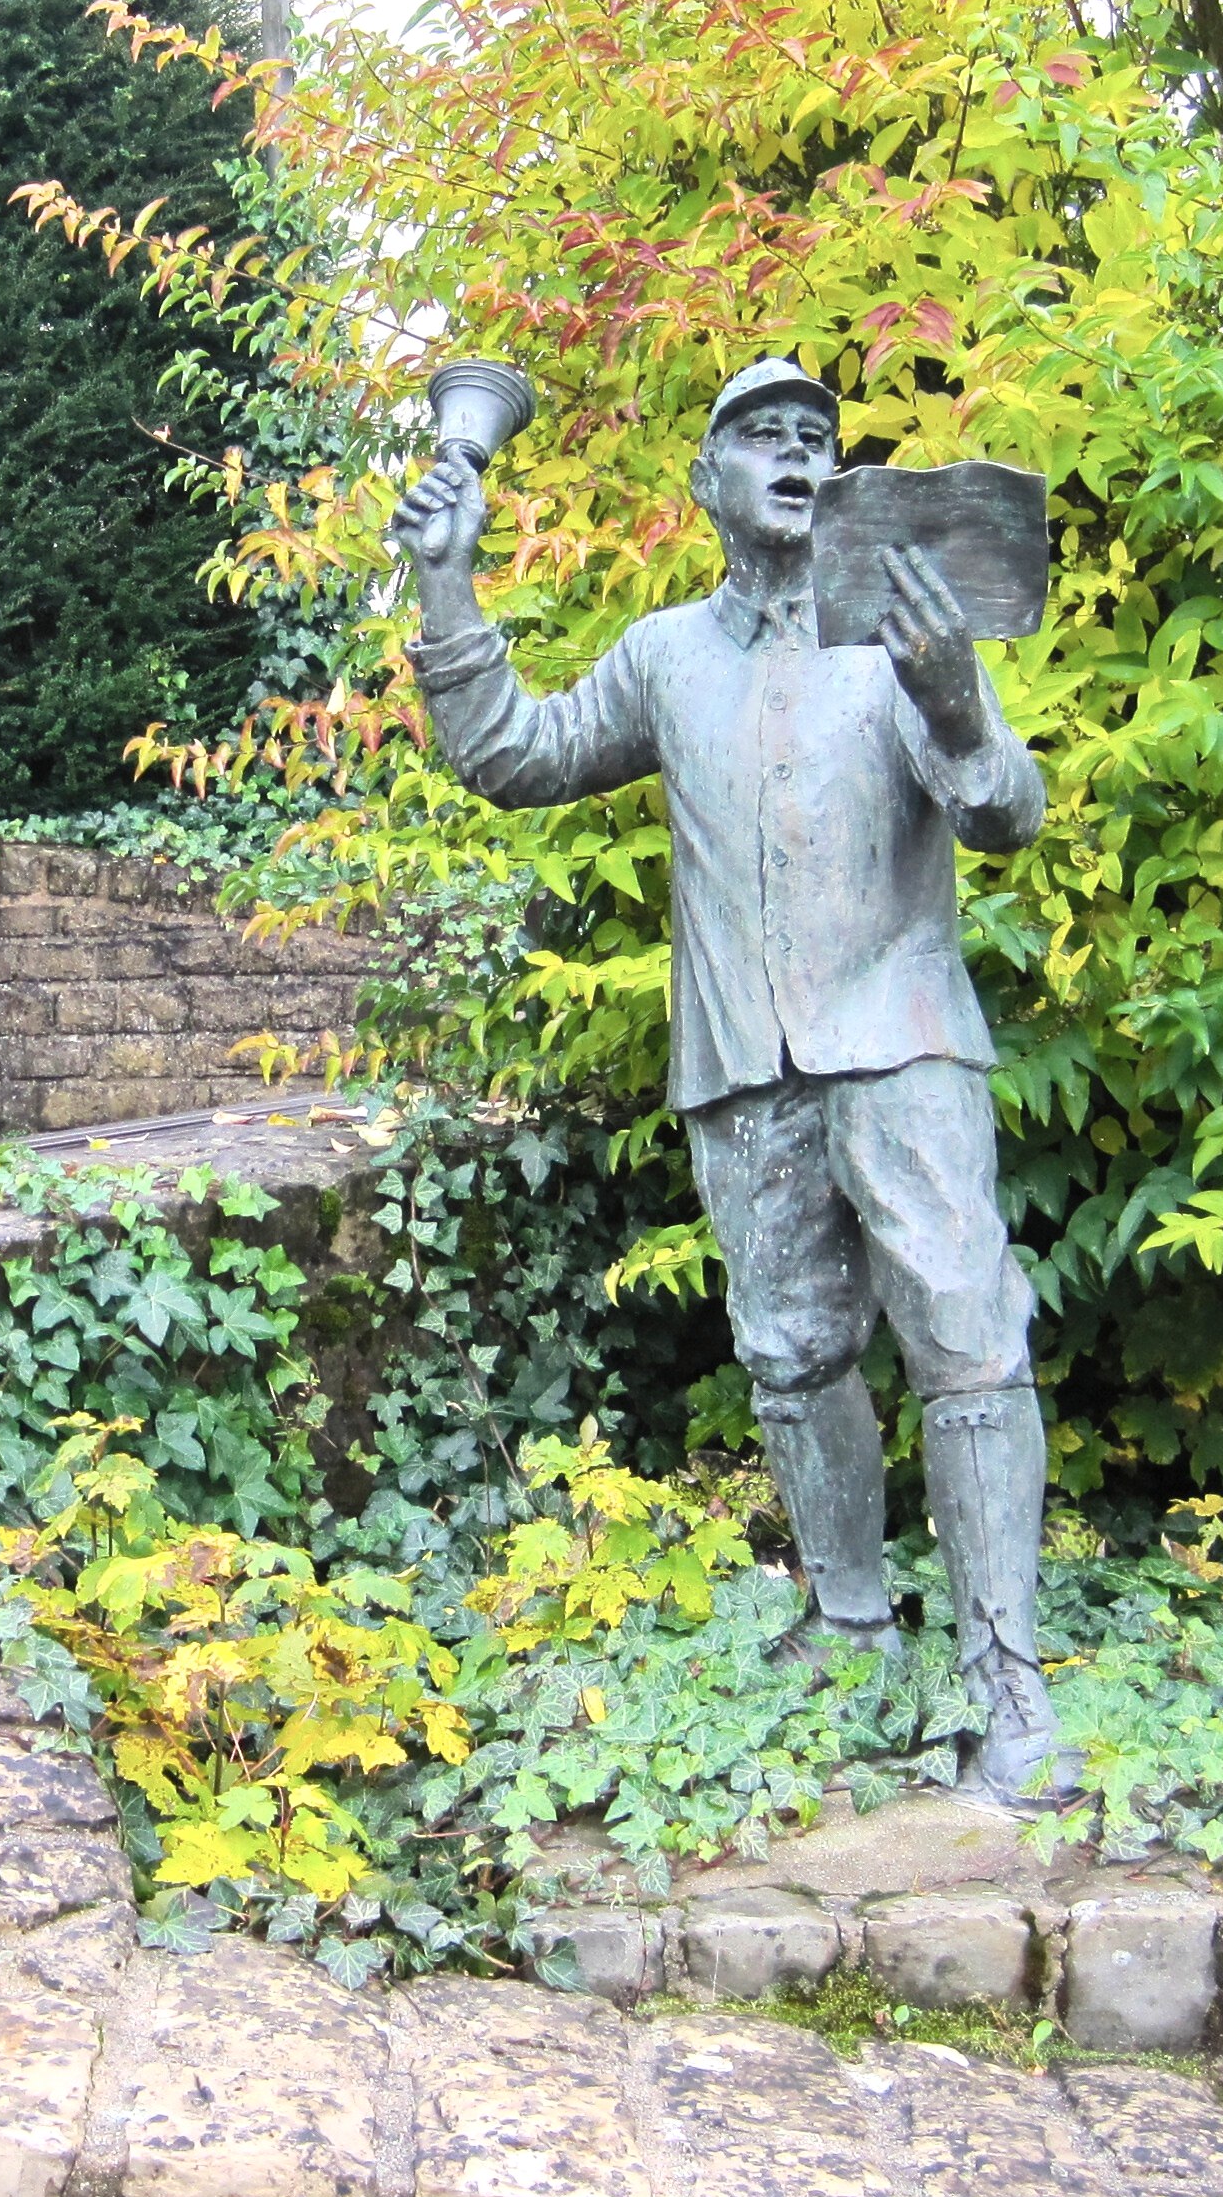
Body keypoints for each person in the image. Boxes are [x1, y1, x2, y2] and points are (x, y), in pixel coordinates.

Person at [390, 356, 1071, 1801]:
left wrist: (958, 707)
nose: (795, 453)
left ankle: (1006, 1679)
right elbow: (512, 754)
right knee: (791, 1353)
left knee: (966, 1338)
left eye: (816, 435)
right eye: (762, 436)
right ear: (707, 483)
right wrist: (445, 584)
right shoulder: (663, 658)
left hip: (903, 1042)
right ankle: (850, 1625)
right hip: (743, 1061)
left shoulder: (899, 634)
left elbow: (1009, 812)